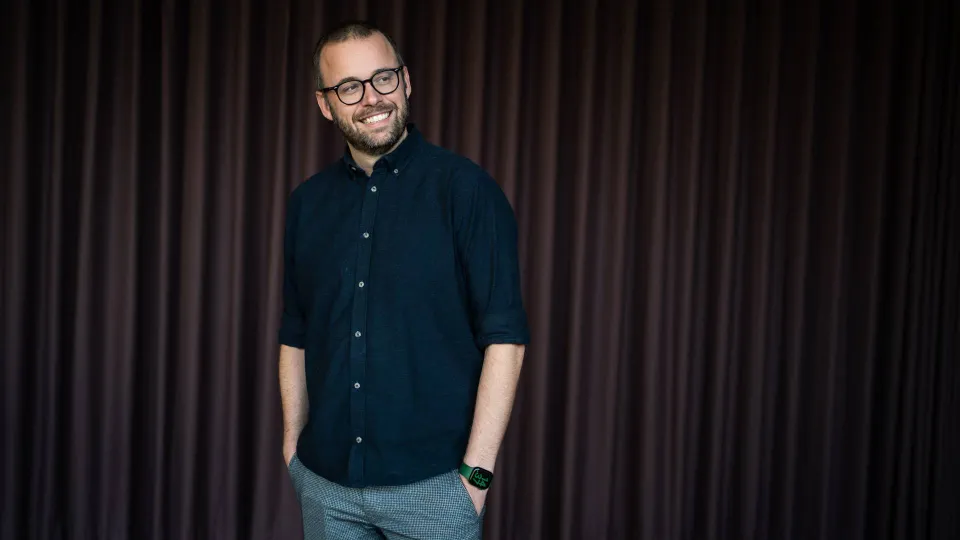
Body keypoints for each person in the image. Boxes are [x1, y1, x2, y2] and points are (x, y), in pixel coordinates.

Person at [277, 20, 530, 540]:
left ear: (406, 80)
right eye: (350, 87)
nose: (372, 98)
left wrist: (476, 477)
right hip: (325, 486)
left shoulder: (466, 190)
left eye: (384, 78)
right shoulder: (307, 203)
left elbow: (505, 338)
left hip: (436, 490)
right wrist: (292, 447)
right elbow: (295, 333)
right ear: (325, 104)